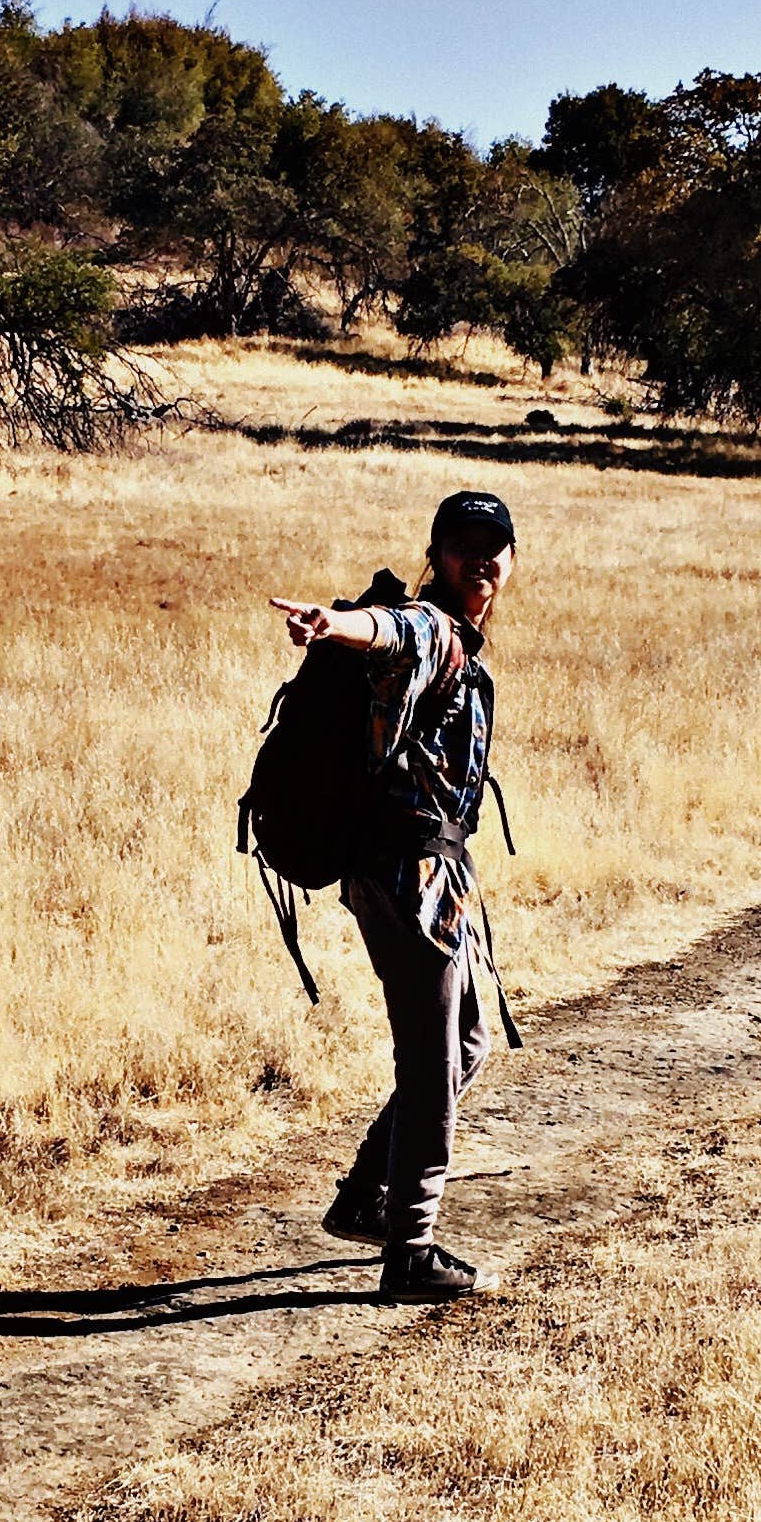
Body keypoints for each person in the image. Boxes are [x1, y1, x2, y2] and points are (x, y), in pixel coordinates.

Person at [268, 487, 520, 1303]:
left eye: (495, 545)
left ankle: (363, 1198)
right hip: (407, 878)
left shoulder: (465, 643)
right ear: (437, 555)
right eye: (463, 543)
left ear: (513, 560)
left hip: (423, 875)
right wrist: (335, 624)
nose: (480, 557)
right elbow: (391, 633)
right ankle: (409, 1249)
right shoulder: (434, 631)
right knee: (432, 1057)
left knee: (470, 1040)